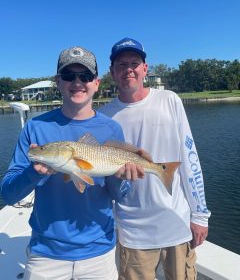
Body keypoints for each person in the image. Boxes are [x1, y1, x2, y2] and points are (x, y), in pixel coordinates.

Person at [1, 46, 139, 280]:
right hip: (46, 254)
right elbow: (8, 194)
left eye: (85, 76)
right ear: (58, 81)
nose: (77, 82)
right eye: (68, 76)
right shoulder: (35, 128)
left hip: (99, 253)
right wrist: (33, 174)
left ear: (96, 82)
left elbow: (119, 195)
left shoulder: (111, 128)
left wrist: (120, 178)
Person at [98, 37, 211, 280]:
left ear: (145, 69)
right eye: (121, 64)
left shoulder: (169, 100)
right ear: (112, 72)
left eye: (134, 63)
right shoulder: (103, 116)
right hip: (132, 232)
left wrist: (199, 215)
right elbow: (104, 179)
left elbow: (190, 160)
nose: (128, 69)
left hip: (177, 224)